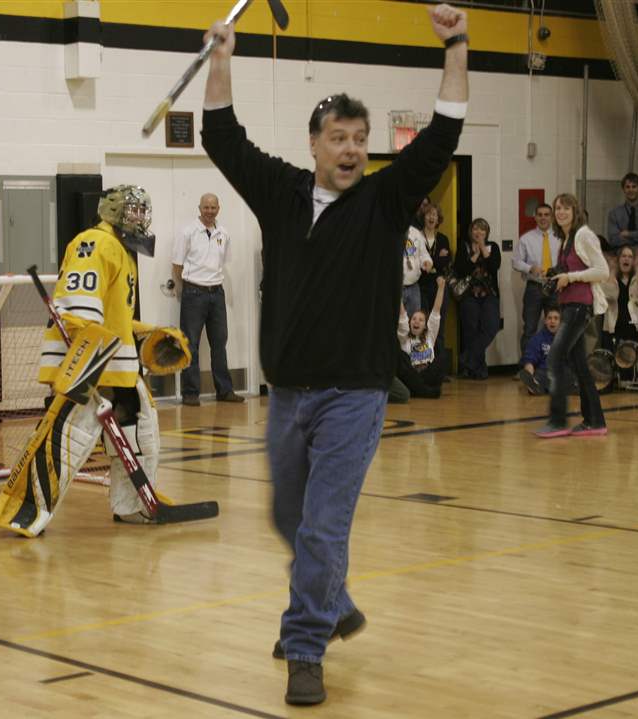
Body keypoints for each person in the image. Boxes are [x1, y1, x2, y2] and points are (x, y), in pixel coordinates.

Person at [200, 3, 468, 706]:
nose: (350, 149)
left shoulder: (384, 201)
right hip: (286, 395)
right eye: (337, 138)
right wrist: (222, 56)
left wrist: (458, 44)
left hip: (355, 394)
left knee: (321, 523)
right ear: (314, 144)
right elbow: (221, 136)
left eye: (359, 138)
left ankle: (303, 644)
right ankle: (332, 599)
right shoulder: (281, 194)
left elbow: (444, 133)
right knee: (287, 519)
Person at [0, 185, 190, 536]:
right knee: (70, 441)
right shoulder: (94, 242)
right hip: (87, 361)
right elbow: (76, 306)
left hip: (117, 366)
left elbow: (114, 316)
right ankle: (23, 510)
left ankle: (133, 506)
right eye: (133, 211)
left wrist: (148, 331)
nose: (140, 218)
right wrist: (90, 355)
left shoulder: (124, 250)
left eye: (143, 212)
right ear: (112, 211)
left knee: (141, 433)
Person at [535, 192, 609, 438]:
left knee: (555, 359)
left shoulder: (584, 234)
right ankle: (595, 421)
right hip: (569, 304)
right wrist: (558, 275)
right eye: (558, 208)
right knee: (579, 366)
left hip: (580, 306)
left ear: (575, 211)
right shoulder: (566, 238)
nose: (561, 212)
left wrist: (571, 277)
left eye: (566, 208)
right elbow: (574, 268)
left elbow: (602, 271)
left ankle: (558, 421)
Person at [172, 193, 244, 406]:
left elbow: (223, 262)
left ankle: (225, 390)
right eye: (206, 207)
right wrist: (185, 289)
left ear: (218, 209)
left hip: (217, 293)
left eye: (213, 207)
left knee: (220, 343)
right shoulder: (187, 232)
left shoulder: (224, 233)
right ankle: (190, 393)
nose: (209, 211)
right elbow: (177, 265)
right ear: (199, 208)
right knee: (190, 344)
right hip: (194, 293)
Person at [454, 217, 501, 379]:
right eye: (475, 228)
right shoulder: (464, 247)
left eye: (482, 229)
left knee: (492, 326)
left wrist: (483, 248)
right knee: (471, 331)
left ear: (487, 232)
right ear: (470, 231)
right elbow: (461, 269)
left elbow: (494, 266)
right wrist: (475, 254)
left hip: (489, 294)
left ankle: (466, 359)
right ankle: (477, 370)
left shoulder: (493, 247)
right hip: (469, 294)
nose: (478, 232)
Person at [512, 203, 561, 353]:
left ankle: (552, 365)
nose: (543, 218)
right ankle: (527, 367)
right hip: (535, 288)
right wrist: (530, 268)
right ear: (535, 217)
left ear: (552, 217)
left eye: (546, 214)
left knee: (556, 328)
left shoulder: (560, 238)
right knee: (530, 328)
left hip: (555, 288)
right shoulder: (526, 238)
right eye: (540, 214)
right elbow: (515, 262)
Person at [397, 275, 448, 397]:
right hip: (412, 374)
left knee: (443, 358)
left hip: (428, 374)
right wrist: (397, 289)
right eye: (414, 319)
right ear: (409, 323)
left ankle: (418, 390)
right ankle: (425, 392)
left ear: (425, 325)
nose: (416, 322)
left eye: (420, 320)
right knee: (400, 357)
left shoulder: (430, 335)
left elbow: (436, 310)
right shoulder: (404, 337)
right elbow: (402, 313)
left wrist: (441, 288)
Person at [606, 172, 638, 275]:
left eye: (634, 186)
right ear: (623, 189)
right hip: (621, 261)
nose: (631, 190)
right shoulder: (614, 213)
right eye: (627, 187)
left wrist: (628, 234)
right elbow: (613, 240)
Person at [602, 245, 638, 350]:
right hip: (615, 330)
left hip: (636, 330)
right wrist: (612, 270)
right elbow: (608, 295)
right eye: (623, 256)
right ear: (618, 260)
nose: (626, 259)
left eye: (630, 257)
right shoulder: (610, 279)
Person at [418, 203, 452, 348]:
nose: (432, 217)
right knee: (422, 326)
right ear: (424, 217)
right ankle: (423, 364)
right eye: (428, 214)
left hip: (439, 287)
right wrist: (437, 260)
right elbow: (417, 263)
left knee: (439, 326)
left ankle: (438, 367)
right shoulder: (416, 236)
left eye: (435, 215)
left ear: (438, 220)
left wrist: (430, 264)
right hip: (420, 286)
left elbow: (445, 263)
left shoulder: (443, 239)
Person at [518, 306, 561, 395]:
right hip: (544, 371)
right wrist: (529, 375)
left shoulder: (566, 338)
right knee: (540, 377)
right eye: (549, 318)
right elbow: (529, 360)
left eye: (556, 318)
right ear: (545, 321)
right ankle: (534, 385)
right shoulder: (537, 339)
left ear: (560, 322)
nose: (552, 321)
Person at [403, 224, 433, 317]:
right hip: (394, 287)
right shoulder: (389, 231)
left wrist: (427, 261)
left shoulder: (416, 233)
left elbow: (423, 254)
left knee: (414, 320)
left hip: (414, 286)